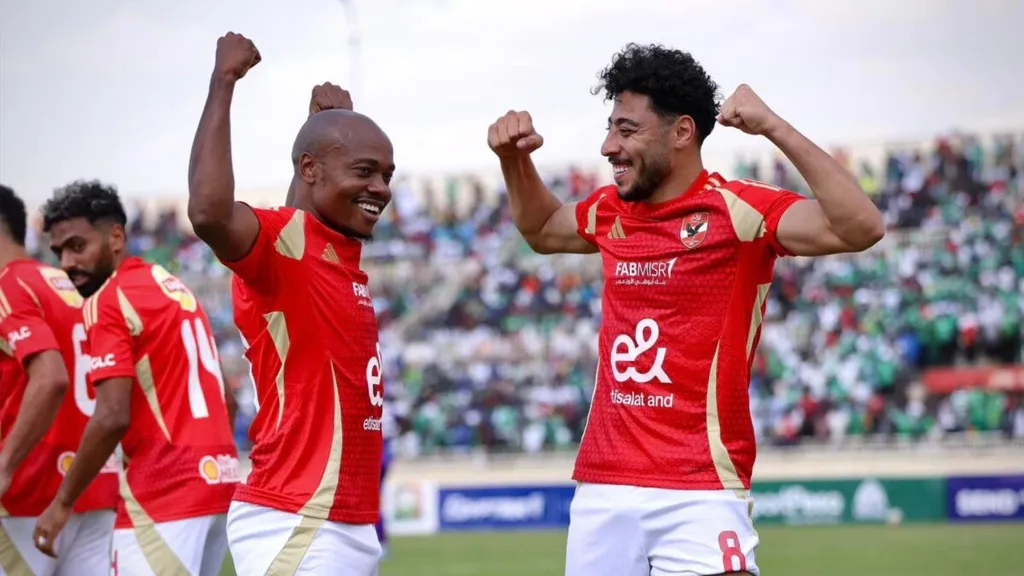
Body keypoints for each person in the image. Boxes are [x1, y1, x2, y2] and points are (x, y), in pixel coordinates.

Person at [487, 43, 885, 576]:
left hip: (701, 492)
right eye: (610, 128)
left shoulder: (738, 210)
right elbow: (540, 228)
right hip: (603, 490)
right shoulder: (609, 211)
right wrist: (513, 160)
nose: (608, 146)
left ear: (681, 132)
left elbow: (861, 226)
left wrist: (773, 126)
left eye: (627, 130)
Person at [187, 32, 392, 575]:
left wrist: (322, 135)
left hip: (339, 520)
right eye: (365, 171)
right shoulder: (283, 249)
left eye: (386, 175)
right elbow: (209, 214)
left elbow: (298, 219)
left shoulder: (320, 249)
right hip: (299, 518)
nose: (381, 188)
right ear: (309, 169)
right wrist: (223, 81)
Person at [32, 181, 239, 576]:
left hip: (164, 492)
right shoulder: (171, 286)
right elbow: (225, 400)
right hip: (218, 485)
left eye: (77, 246)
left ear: (115, 237)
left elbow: (112, 415)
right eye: (59, 252)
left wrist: (62, 503)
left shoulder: (109, 299)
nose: (67, 263)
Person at [0, 185, 119, 576]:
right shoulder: (71, 284)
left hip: (25, 492)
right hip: (92, 486)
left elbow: (50, 378)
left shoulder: (7, 285)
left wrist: (4, 465)